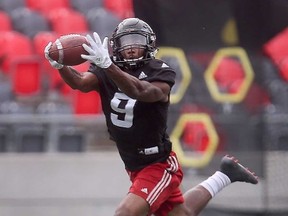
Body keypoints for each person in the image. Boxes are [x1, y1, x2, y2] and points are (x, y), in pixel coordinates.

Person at [44, 18, 258, 216]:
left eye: (136, 41)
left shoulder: (160, 71)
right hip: (133, 163)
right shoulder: (106, 68)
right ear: (116, 46)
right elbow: (80, 82)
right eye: (126, 42)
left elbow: (141, 92)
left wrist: (108, 66)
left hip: (158, 162)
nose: (131, 47)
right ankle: (225, 174)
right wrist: (60, 65)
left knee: (125, 213)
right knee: (183, 214)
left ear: (149, 44)